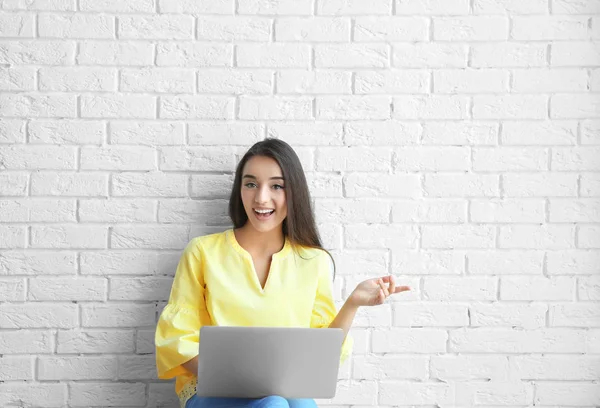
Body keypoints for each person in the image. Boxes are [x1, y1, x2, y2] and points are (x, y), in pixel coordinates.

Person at [155, 138, 411, 408]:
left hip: (284, 392)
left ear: (294, 193)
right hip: (210, 389)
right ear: (239, 189)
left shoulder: (313, 260)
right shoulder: (203, 252)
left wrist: (353, 303)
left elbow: (320, 355)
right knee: (275, 404)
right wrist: (239, 380)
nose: (261, 197)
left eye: (276, 186)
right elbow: (177, 338)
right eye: (250, 183)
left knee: (298, 404)